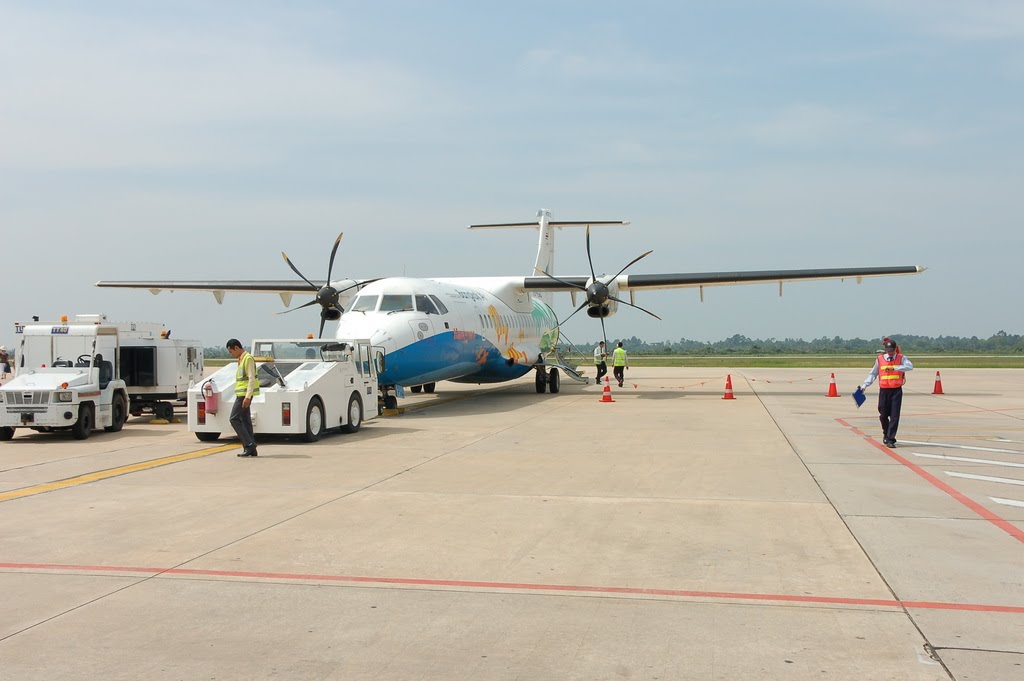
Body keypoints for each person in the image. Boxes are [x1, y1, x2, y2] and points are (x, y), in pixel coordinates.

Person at [860, 338, 913, 448]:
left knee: (894, 416)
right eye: (888, 350)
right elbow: (873, 374)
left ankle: (890, 439)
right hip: (884, 390)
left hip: (896, 391)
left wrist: (895, 367)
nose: (890, 352)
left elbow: (910, 366)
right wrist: (864, 385)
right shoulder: (880, 359)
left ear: (895, 350)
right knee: (883, 415)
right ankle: (886, 432)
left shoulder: (901, 358)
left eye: (892, 350)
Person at [226, 338, 259, 457]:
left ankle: (249, 444)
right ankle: (252, 448)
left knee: (234, 419)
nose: (231, 354)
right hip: (242, 394)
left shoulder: (248, 358)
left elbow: (251, 378)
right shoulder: (241, 359)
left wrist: (248, 397)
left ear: (236, 348)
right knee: (245, 420)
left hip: (244, 396)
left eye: (231, 352)